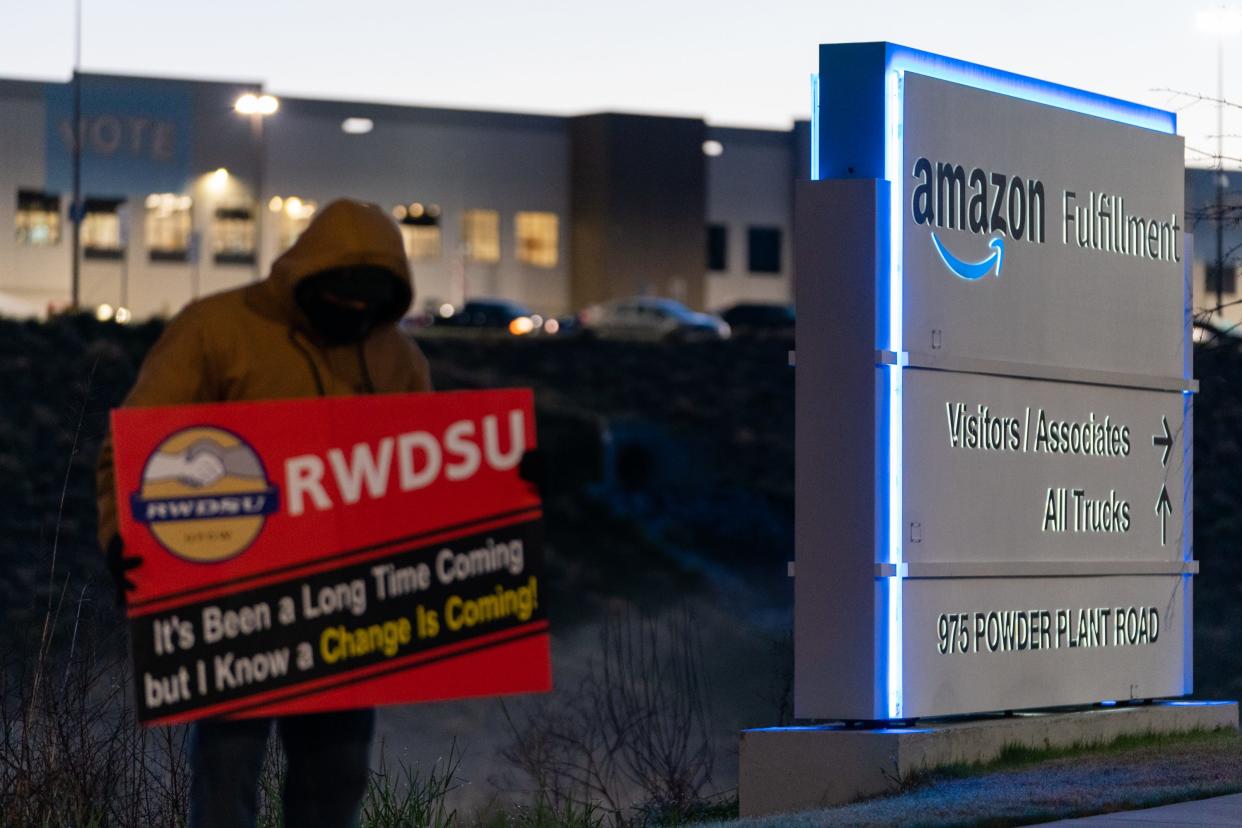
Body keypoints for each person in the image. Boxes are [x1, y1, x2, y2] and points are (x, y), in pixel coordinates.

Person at [95, 198, 433, 828]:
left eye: (371, 302)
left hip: (345, 605)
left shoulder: (400, 360)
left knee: (336, 783)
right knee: (226, 783)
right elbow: (139, 442)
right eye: (344, 297)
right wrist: (125, 541)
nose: (356, 314)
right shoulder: (216, 329)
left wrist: (505, 493)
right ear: (309, 277)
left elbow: (425, 473)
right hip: (234, 600)